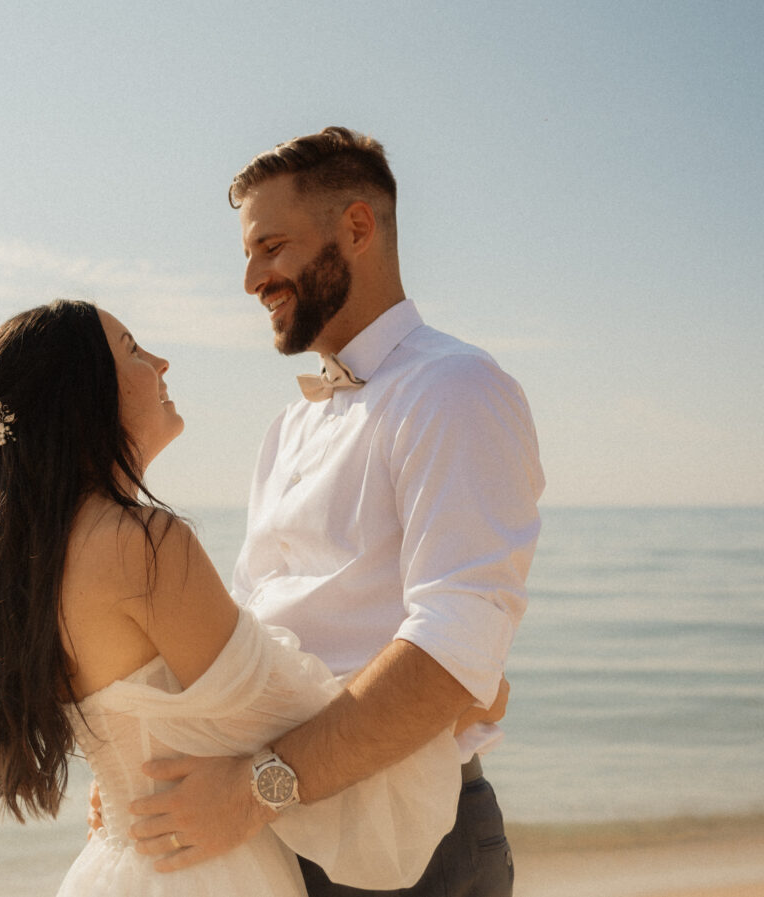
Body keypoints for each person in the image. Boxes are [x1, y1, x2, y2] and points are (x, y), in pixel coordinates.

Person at [0, 299, 508, 897]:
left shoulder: (34, 557)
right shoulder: (142, 544)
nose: (161, 362)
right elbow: (287, 715)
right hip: (205, 871)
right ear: (81, 395)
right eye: (133, 350)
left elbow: (150, 718)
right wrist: (455, 700)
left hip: (120, 863)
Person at [126, 127, 544, 897]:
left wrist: (254, 791)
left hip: (407, 847)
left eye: (271, 246)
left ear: (357, 227)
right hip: (283, 837)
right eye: (248, 255)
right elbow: (255, 636)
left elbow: (454, 647)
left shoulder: (454, 389)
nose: (252, 278)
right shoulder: (288, 427)